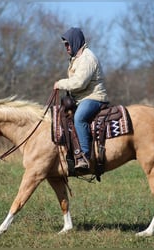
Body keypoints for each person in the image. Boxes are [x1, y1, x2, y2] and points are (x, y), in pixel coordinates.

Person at [54, 27, 108, 170]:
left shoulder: (87, 58)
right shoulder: (77, 58)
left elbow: (79, 82)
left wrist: (60, 84)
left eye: (68, 44)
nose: (66, 47)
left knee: (79, 118)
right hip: (82, 98)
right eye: (65, 44)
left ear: (75, 42)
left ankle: (84, 156)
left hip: (93, 97)